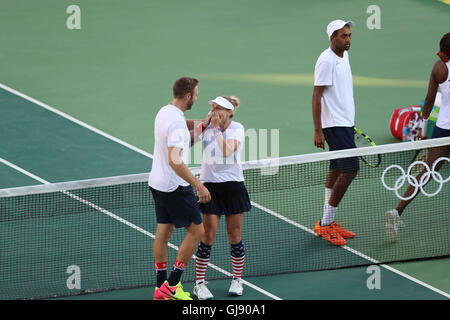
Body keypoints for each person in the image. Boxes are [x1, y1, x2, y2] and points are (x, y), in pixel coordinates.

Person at [149, 77, 211, 300]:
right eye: (196, 94)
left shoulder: (166, 111)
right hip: (175, 186)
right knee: (197, 231)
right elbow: (175, 161)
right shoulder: (176, 123)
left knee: (163, 233)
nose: (197, 97)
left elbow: (184, 128)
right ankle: (172, 286)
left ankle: (160, 288)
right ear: (188, 96)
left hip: (157, 183)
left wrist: (204, 123)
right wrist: (199, 185)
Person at [385, 33, 450, 242]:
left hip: (443, 127)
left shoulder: (439, 67)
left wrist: (423, 131)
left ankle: (397, 212)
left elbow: (430, 100)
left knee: (427, 172)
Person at [192, 96, 251, 300]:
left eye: (217, 108)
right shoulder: (207, 127)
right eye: (212, 107)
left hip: (233, 186)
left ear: (228, 112)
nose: (213, 110)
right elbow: (188, 141)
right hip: (209, 188)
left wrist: (215, 129)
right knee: (207, 236)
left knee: (234, 235)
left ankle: (237, 279)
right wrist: (202, 125)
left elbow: (227, 151)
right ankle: (199, 283)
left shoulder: (237, 128)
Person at [312, 19, 358, 246]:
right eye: (343, 36)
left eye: (349, 35)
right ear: (332, 37)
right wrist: (318, 130)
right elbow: (316, 95)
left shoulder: (344, 55)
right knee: (350, 169)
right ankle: (326, 222)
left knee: (337, 168)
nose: (348, 40)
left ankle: (327, 223)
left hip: (345, 123)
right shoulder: (326, 60)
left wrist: (349, 121)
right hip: (333, 125)